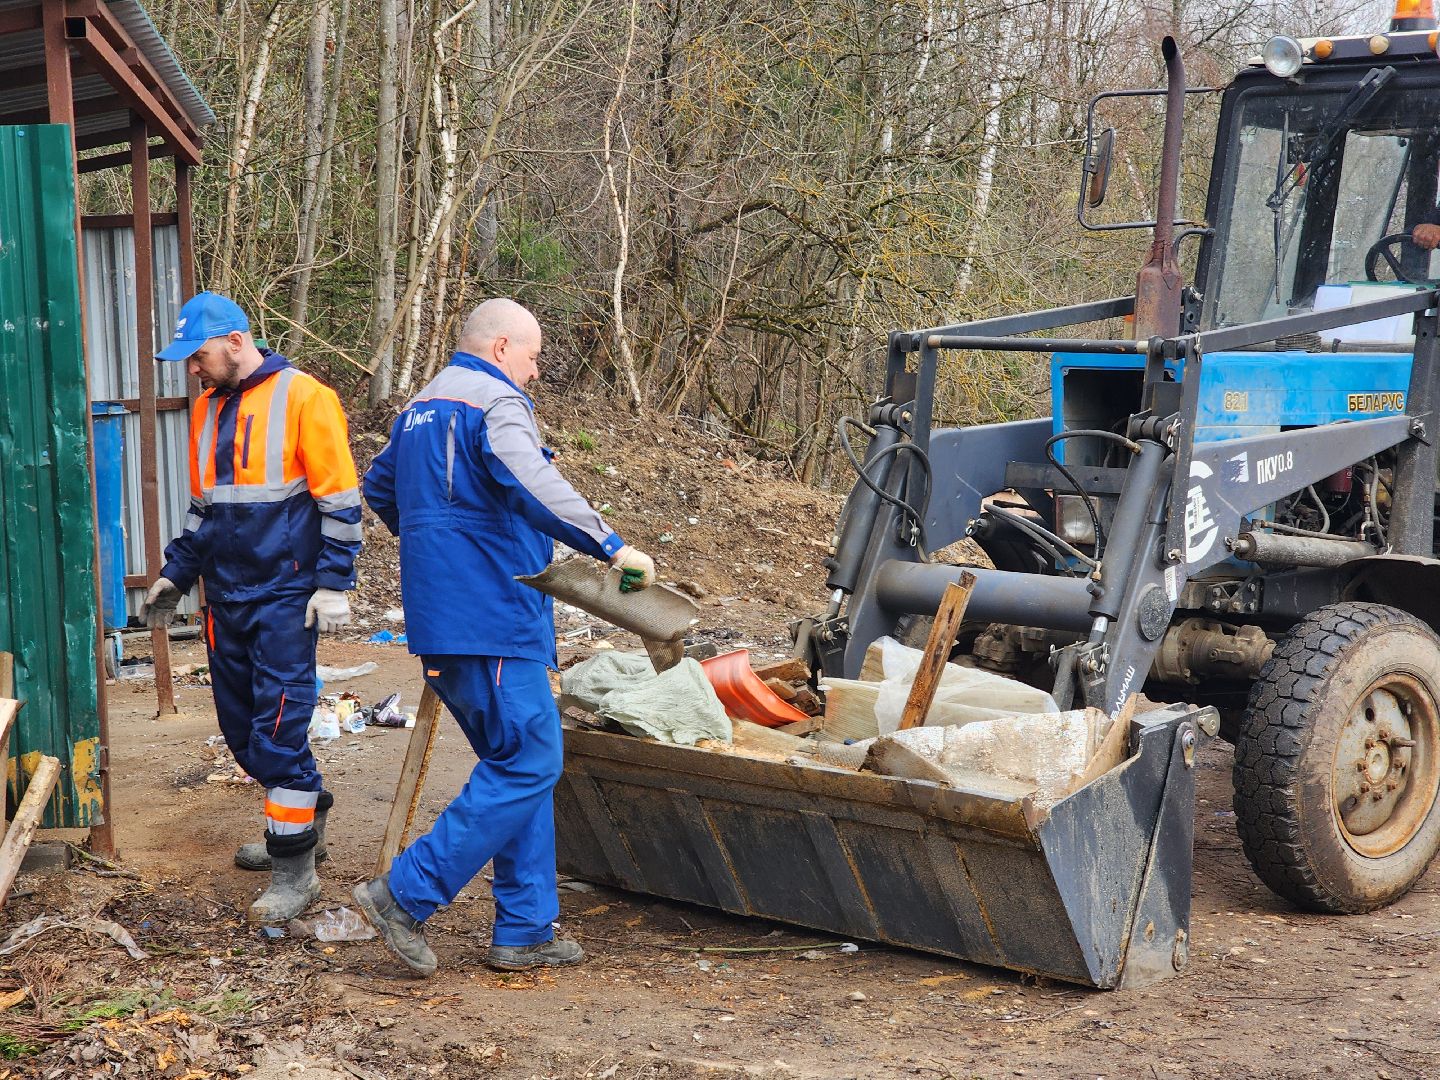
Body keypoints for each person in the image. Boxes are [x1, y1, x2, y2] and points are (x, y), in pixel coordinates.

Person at [355, 298, 655, 977]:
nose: (536, 371)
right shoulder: (492, 401)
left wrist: (438, 547)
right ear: (499, 348)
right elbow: (533, 482)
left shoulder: (422, 407)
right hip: (493, 617)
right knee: (531, 763)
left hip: (443, 621)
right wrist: (611, 545)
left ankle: (524, 927)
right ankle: (403, 895)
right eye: (533, 355)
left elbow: (380, 487)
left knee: (515, 766)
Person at [140, 292, 361, 925]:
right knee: (243, 734)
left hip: (287, 597)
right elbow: (205, 507)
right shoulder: (208, 409)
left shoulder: (305, 397)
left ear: (236, 341)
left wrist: (333, 584)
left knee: (279, 730)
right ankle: (303, 815)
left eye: (198, 355)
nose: (192, 369)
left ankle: (295, 868)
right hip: (226, 595)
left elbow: (341, 500)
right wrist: (176, 574)